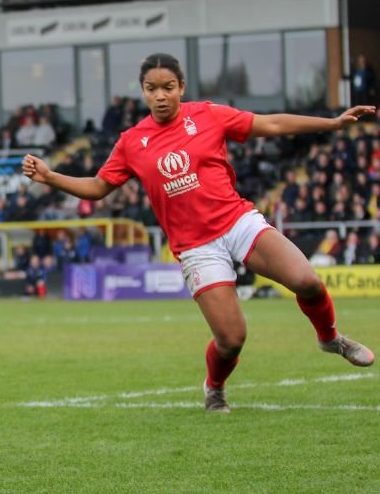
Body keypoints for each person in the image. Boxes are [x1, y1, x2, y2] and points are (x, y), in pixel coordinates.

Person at [22, 52, 376, 413]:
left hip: (237, 221)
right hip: (196, 247)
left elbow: (269, 124)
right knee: (232, 339)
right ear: (143, 93)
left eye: (168, 87)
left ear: (181, 88)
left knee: (307, 280)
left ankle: (331, 339)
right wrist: (51, 177)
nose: (160, 96)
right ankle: (215, 387)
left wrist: (331, 124)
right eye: (151, 89)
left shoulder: (207, 114)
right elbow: (99, 187)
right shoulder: (132, 142)